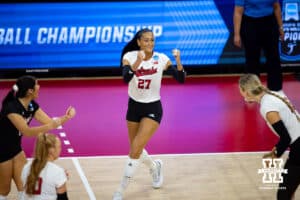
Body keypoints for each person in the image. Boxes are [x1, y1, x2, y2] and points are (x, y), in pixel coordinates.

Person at [113, 28, 185, 200]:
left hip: (153, 108)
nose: (149, 43)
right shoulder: (129, 57)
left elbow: (181, 78)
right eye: (146, 40)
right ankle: (154, 167)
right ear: (139, 42)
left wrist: (178, 60)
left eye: (152, 40)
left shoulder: (161, 58)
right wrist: (138, 62)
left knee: (135, 149)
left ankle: (120, 191)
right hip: (134, 107)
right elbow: (125, 78)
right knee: (135, 148)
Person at [0, 75, 76, 200]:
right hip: (1, 150)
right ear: (30, 90)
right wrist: (51, 125)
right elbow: (27, 131)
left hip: (16, 149)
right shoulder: (11, 108)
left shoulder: (31, 105)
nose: (39, 87)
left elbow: (48, 122)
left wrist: (66, 117)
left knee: (24, 186)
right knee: (4, 190)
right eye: (37, 84)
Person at [239, 74, 300, 200]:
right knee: (288, 190)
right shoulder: (274, 94)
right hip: (297, 146)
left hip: (299, 149)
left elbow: (286, 138)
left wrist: (274, 157)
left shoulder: (267, 107)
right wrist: (276, 149)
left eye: (240, 90)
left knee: (283, 195)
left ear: (245, 92)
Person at [233, 0, 284, 91]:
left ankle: (276, 89)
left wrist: (280, 27)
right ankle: (252, 91)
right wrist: (237, 34)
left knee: (273, 57)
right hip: (250, 24)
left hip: (270, 23)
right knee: (252, 59)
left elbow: (276, 7)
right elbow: (238, 12)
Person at [20, 133, 68, 200]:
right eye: (59, 146)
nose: (61, 149)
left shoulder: (26, 167)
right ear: (51, 150)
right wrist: (62, 177)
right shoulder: (58, 172)